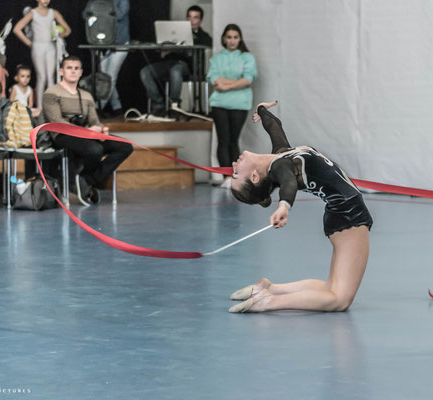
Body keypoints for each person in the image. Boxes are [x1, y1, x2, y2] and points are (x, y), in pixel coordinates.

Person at [228, 101, 373, 313]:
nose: (233, 165)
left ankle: (269, 288)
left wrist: (262, 110)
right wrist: (284, 206)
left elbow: (274, 126)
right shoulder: (281, 167)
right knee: (339, 300)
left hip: (341, 214)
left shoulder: (281, 155)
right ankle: (267, 301)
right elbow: (289, 182)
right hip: (350, 215)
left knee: (331, 288)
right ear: (255, 176)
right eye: (235, 173)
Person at [43, 56, 133, 206]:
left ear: (81, 72)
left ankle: (86, 180)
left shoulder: (86, 95)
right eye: (69, 68)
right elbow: (56, 122)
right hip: (62, 135)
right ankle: (82, 182)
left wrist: (102, 130)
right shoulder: (52, 93)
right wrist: (86, 130)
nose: (73, 71)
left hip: (85, 134)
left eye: (76, 68)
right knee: (95, 150)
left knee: (124, 146)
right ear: (61, 71)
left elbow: (94, 121)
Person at [207, 24, 257, 189]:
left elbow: (248, 79)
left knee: (233, 141)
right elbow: (215, 79)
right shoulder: (216, 59)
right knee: (223, 140)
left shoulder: (247, 57)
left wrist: (226, 85)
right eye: (229, 37)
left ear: (240, 39)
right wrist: (237, 82)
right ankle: (226, 177)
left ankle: (236, 176)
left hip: (239, 104)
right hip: (219, 104)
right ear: (224, 39)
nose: (232, 40)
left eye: (235, 37)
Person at [139, 5, 212, 117]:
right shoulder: (176, 31)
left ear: (200, 20)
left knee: (175, 71)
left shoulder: (203, 36)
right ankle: (158, 105)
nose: (192, 20)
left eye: (195, 17)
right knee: (145, 72)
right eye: (189, 17)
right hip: (169, 62)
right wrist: (165, 49)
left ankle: (174, 106)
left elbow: (205, 48)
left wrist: (183, 49)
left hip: (187, 66)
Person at [13, 0, 72, 109]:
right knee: (41, 77)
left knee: (51, 77)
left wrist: (60, 35)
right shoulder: (33, 13)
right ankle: (40, 107)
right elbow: (17, 29)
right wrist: (30, 43)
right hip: (37, 47)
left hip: (51, 47)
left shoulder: (53, 13)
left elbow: (68, 30)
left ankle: (50, 107)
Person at [95, 0, 129, 117]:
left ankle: (97, 108)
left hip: (120, 43)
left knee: (110, 78)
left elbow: (119, 15)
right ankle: (117, 108)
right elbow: (86, 14)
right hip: (102, 43)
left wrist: (105, 7)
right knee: (104, 77)